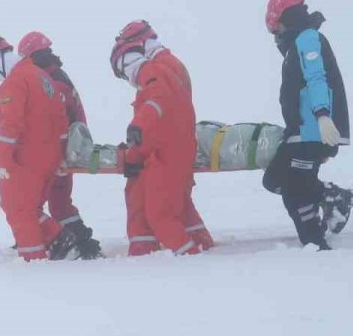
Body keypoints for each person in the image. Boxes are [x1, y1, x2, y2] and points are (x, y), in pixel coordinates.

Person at [262, 0, 353, 249]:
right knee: (275, 179)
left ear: (287, 19)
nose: (276, 35)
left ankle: (315, 244)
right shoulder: (299, 44)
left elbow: (317, 79)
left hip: (315, 129)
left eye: (276, 28)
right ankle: (333, 198)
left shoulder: (307, 39)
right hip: (301, 130)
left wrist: (323, 116)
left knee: (294, 189)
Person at [0, 35, 82, 261]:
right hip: (49, 156)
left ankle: (34, 261)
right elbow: (61, 117)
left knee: (17, 208)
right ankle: (62, 240)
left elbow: (11, 124)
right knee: (31, 209)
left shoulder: (14, 82)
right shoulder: (41, 75)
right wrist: (61, 154)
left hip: (28, 157)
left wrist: (0, 160)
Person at [110, 21, 213, 256]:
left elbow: (158, 106)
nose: (127, 78)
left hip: (163, 153)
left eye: (123, 69)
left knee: (161, 215)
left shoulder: (156, 69)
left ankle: (190, 257)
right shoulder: (169, 66)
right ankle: (196, 244)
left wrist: (137, 131)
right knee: (177, 206)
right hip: (170, 149)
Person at [16, 31, 104, 259]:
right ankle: (65, 239)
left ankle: (81, 243)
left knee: (56, 203)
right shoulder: (55, 76)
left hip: (63, 151)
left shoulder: (53, 81)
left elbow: (56, 119)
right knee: (58, 202)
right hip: (67, 149)